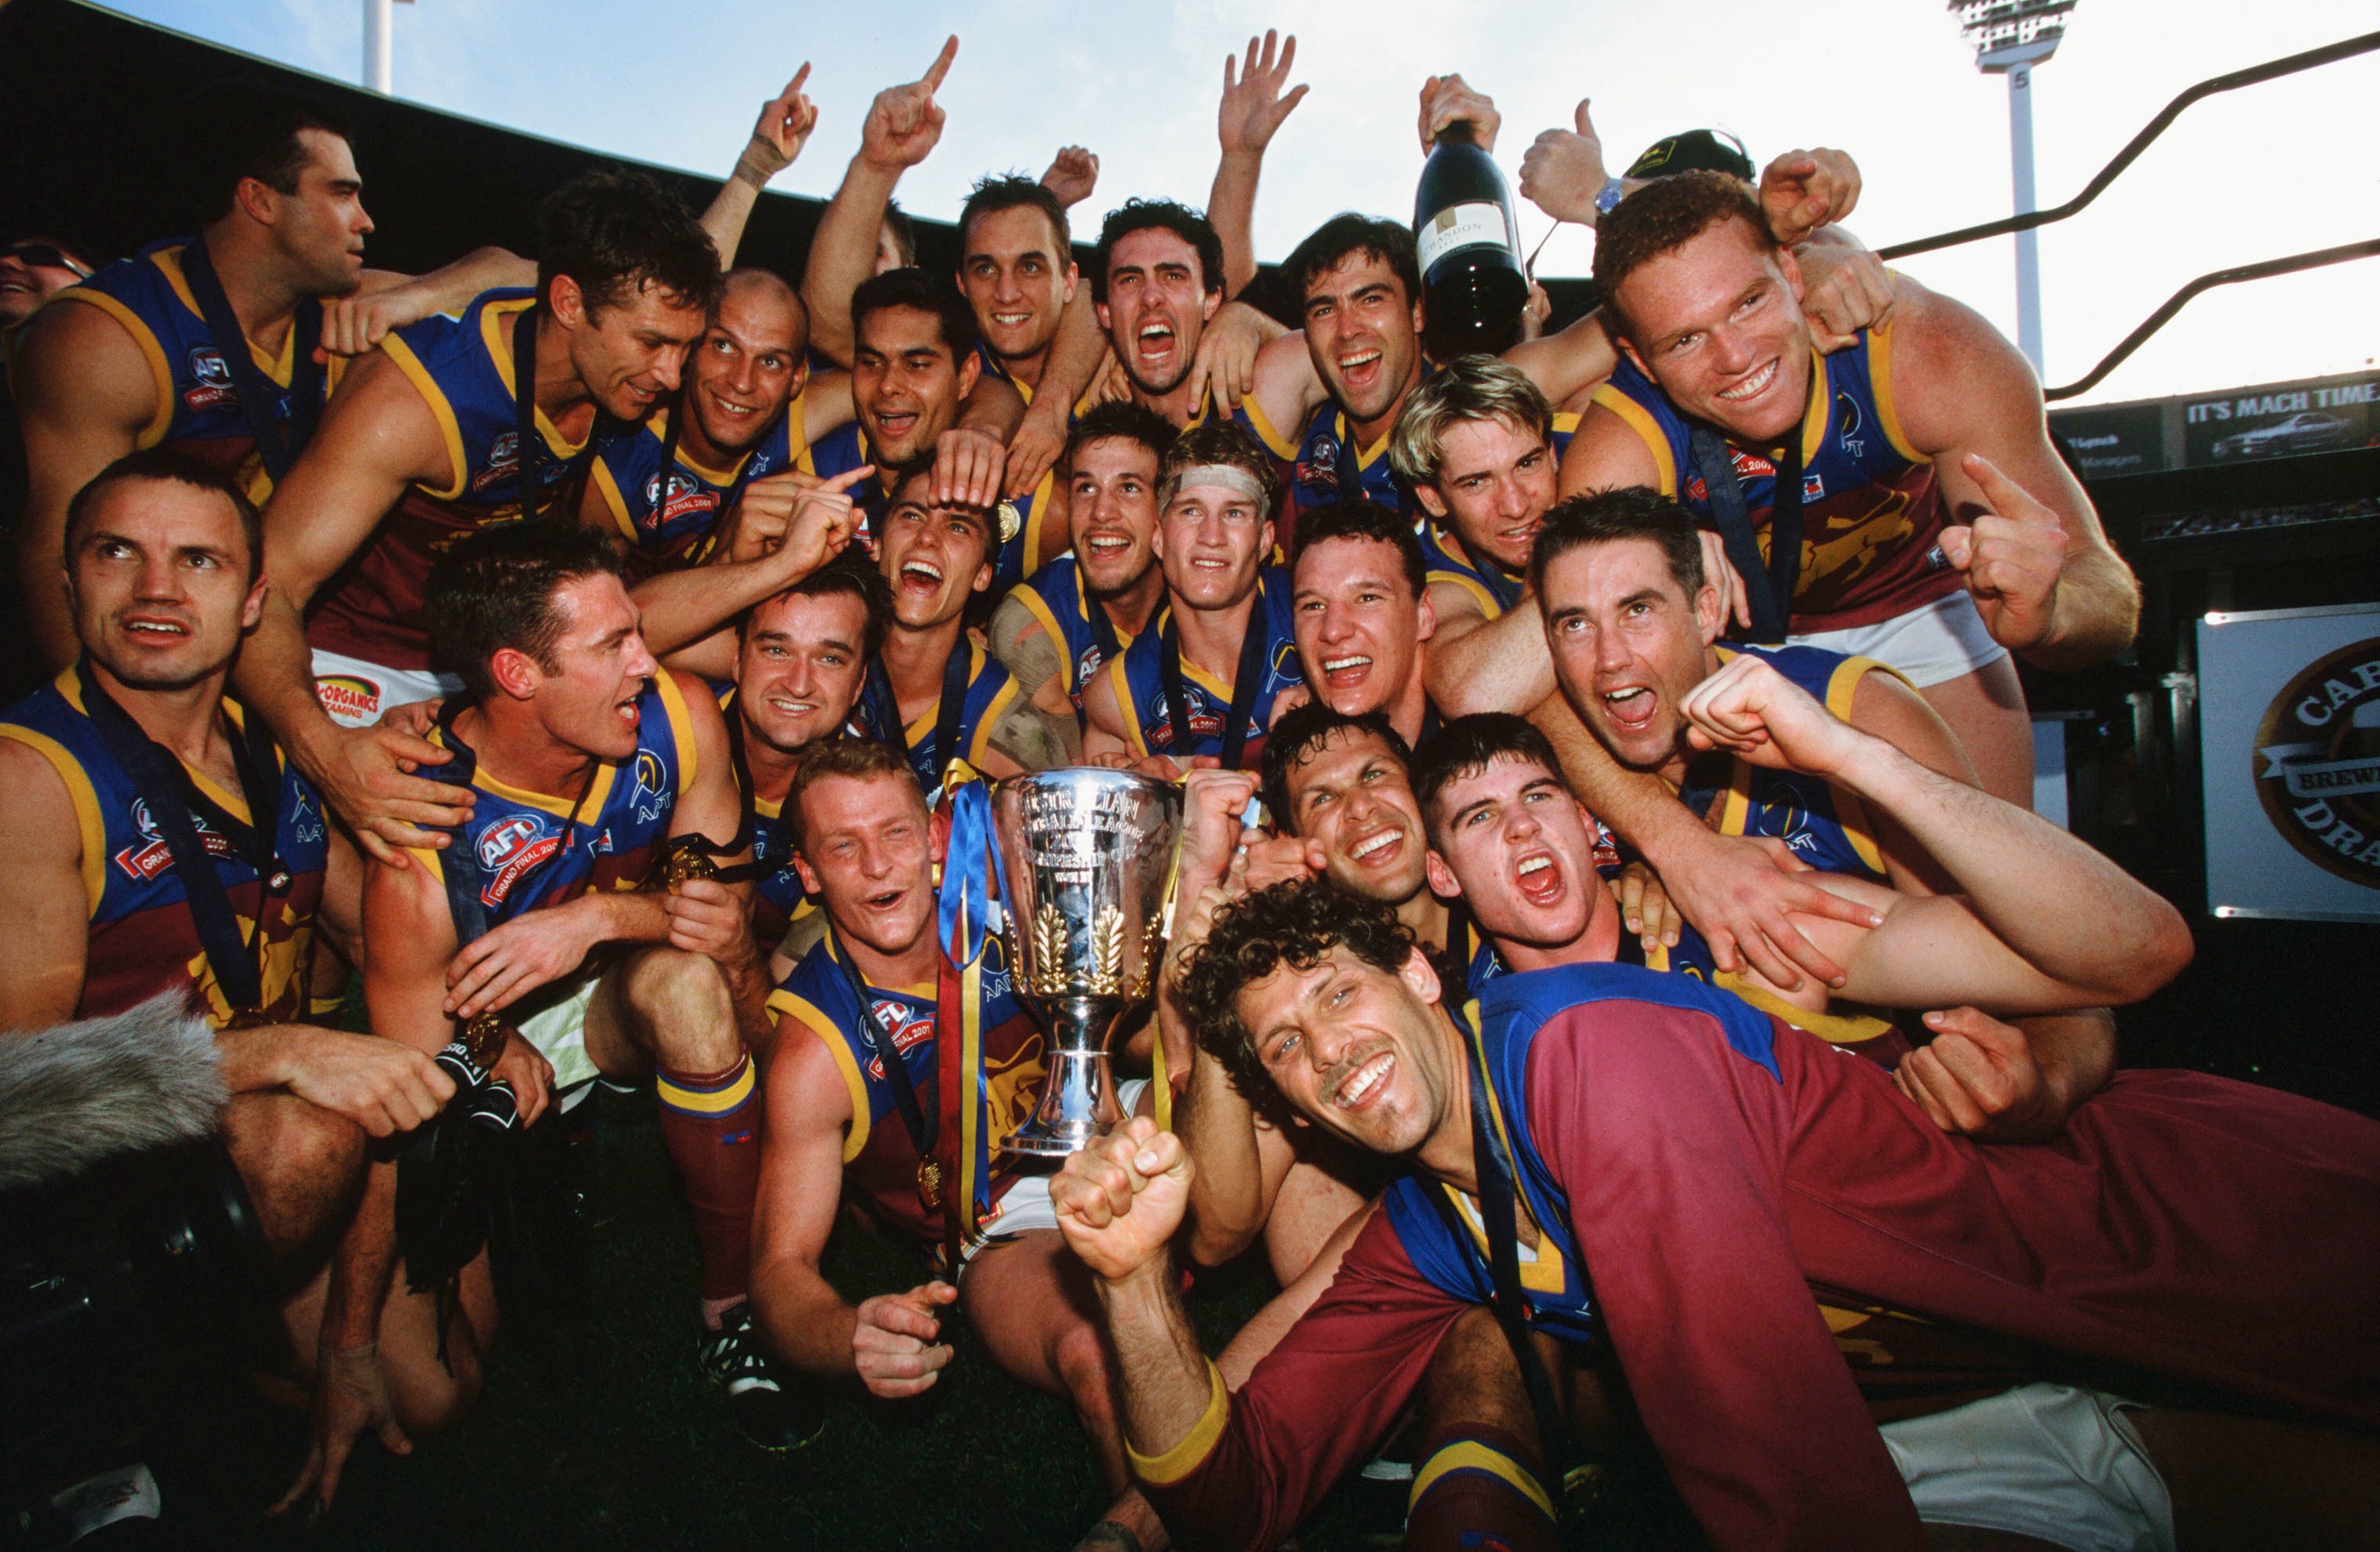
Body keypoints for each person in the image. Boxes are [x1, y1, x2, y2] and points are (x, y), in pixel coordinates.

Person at [1058, 662, 2380, 1552]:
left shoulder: (1600, 1044)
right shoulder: (1448, 1211)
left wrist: (2046, 1062)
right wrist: (1129, 1286)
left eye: (1337, 999)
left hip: (2228, 1252)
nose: (1330, 1053)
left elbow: (1775, 1473)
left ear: (1413, 972)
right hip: (2004, 1395)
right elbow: (1239, 1493)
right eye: (1286, 1049)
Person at [0, 450, 469, 1510]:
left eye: (198, 561)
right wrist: (281, 1051)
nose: (156, 589)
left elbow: (375, 929)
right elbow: (16, 1096)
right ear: (68, 582)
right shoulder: (30, 776)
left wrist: (493, 1019)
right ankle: (88, 1422)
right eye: (117, 553)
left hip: (244, 1126)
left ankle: (227, 1341)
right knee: (307, 1139)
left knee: (428, 1394)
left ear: (254, 600)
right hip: (100, 1176)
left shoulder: (267, 745)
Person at [346, 520, 807, 1463]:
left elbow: (718, 912)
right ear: (517, 674)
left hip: (610, 989)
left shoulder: (677, 717)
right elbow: (412, 1044)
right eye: (613, 646)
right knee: (434, 1396)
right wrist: (484, 1041)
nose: (648, 661)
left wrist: (596, 920)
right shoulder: (421, 821)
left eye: (637, 631)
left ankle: (731, 1305)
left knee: (690, 985)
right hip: (473, 1031)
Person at [1562, 169, 2140, 804]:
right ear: (1640, 361)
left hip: (1922, 607)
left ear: (1793, 272)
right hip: (1738, 647)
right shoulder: (1619, 444)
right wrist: (1683, 847)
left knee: (1996, 852)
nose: (1734, 356)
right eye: (1686, 340)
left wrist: (2050, 614)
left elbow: (2105, 591)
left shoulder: (1929, 353)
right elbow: (1556, 671)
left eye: (1749, 303)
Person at [217, 168, 717, 881]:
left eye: (685, 348)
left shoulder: (603, 367)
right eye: (651, 343)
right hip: (350, 660)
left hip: (477, 666)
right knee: (373, 904)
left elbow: (507, 264)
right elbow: (264, 592)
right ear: (568, 304)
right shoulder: (416, 403)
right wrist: (326, 754)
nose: (672, 375)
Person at [749, 738, 1168, 1552]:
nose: (878, 865)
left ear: (936, 836)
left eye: (895, 833)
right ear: (808, 873)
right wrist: (847, 1333)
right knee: (1097, 1349)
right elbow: (777, 1273)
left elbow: (1140, 1039)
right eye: (843, 846)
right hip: (1004, 1221)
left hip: (1110, 1116)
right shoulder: (813, 1052)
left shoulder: (1010, 906)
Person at [11, 88, 530, 671]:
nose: (365, 220)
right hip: (155, 623)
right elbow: (60, 550)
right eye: (342, 194)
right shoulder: (108, 337)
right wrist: (99, 715)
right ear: (260, 200)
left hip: (271, 614)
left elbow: (529, 275)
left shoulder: (344, 304)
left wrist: (419, 297)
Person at [1082, 420, 1304, 771]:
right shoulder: (1118, 696)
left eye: (1234, 513)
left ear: (1265, 541)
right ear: (1158, 538)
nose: (1212, 536)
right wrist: (1148, 793)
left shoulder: (1318, 613)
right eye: (1191, 511)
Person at [718, 556, 891, 974]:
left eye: (829, 659)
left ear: (859, 684)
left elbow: (784, 992)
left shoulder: (865, 806)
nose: (798, 684)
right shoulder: (671, 729)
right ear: (737, 659)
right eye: (777, 650)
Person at [858, 462, 1069, 798]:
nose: (927, 537)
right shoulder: (819, 666)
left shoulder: (1014, 736)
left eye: (957, 527)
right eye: (912, 515)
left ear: (982, 575)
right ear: (877, 545)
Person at [988, 401, 1175, 739]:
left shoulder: (1206, 594)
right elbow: (1062, 766)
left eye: (1129, 488)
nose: (1101, 511)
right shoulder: (1031, 620)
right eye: (1086, 488)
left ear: (1166, 507)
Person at [1286, 497, 1435, 745]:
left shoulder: (1480, 744)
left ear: (1424, 615)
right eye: (1313, 605)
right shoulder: (1295, 751)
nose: (1333, 631)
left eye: (1367, 598)